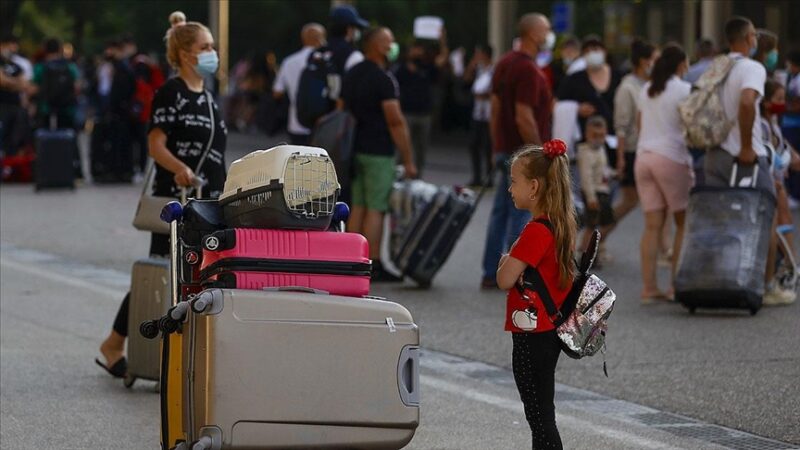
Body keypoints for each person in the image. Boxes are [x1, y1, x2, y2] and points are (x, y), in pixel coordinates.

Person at [97, 13, 228, 378]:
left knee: (195, 277)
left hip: (209, 201)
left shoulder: (210, 98)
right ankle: (114, 343)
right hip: (176, 199)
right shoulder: (172, 93)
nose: (211, 53)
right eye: (205, 47)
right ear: (185, 54)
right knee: (161, 273)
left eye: (212, 48)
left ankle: (183, 354)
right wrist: (179, 168)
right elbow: (155, 145)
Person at [496, 139, 576, 450]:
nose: (509, 189)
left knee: (540, 417)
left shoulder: (535, 231)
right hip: (548, 333)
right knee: (543, 414)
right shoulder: (557, 226)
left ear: (534, 187)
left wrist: (508, 256)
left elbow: (504, 278)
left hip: (532, 337)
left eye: (514, 182)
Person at [703, 17, 780, 299]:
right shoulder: (751, 67)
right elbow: (748, 101)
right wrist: (747, 146)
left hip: (715, 154)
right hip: (744, 157)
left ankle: (719, 280)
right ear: (749, 37)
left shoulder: (717, 67)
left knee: (720, 221)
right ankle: (765, 285)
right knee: (764, 217)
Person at [480, 13, 553, 290]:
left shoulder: (504, 63)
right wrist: (537, 154)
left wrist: (495, 144)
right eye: (545, 31)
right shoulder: (528, 70)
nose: (549, 36)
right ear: (533, 34)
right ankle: (515, 272)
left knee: (500, 211)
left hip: (504, 148)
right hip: (522, 154)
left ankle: (491, 270)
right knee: (522, 212)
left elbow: (495, 108)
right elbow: (524, 115)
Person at [341, 27, 417, 282]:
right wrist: (408, 159)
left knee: (358, 206)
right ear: (375, 46)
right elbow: (395, 121)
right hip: (379, 151)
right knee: (376, 208)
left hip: (354, 149)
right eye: (388, 41)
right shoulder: (384, 79)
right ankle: (373, 261)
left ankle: (351, 258)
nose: (392, 45)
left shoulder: (352, 74)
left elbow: (342, 109)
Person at [635, 45, 692, 303]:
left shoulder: (646, 89)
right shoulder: (684, 89)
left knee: (652, 226)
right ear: (681, 65)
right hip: (671, 157)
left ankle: (649, 288)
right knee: (682, 222)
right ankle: (674, 287)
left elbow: (639, 125)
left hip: (643, 157)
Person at [760, 79, 800, 305]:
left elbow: (782, 145)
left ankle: (789, 264)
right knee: (777, 225)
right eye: (778, 99)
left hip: (778, 180)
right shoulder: (762, 125)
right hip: (772, 182)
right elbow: (768, 151)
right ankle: (782, 269)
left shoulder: (772, 121)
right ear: (765, 103)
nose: (783, 104)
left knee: (785, 220)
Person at [613, 39, 657, 225]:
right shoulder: (628, 87)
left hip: (648, 150)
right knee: (630, 200)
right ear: (644, 61)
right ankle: (595, 237)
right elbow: (621, 126)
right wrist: (621, 157)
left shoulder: (652, 85)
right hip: (632, 150)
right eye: (655, 59)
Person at [393, 38, 448, 176]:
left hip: (424, 114)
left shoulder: (427, 67)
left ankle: (417, 177)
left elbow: (442, 60)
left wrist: (443, 40)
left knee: (421, 149)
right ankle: (399, 176)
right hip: (407, 113)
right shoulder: (400, 68)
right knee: (403, 147)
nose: (417, 52)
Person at [556, 35, 621, 143]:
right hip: (585, 142)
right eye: (587, 50)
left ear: (604, 51)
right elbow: (557, 104)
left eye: (595, 49)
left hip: (616, 139)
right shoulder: (574, 79)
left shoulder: (619, 76)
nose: (592, 53)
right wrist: (576, 108)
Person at [273, 23, 326, 145]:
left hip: (296, 122)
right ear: (321, 38)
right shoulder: (326, 60)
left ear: (303, 38)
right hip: (322, 124)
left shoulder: (289, 61)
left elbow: (277, 92)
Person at [576, 116, 615, 254]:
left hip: (602, 190)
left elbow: (602, 168)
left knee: (598, 224)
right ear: (586, 134)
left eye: (602, 135)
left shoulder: (600, 149)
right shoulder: (585, 152)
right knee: (591, 225)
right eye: (594, 135)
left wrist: (613, 173)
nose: (598, 139)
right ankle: (585, 251)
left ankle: (589, 249)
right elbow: (586, 177)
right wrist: (591, 198)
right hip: (593, 193)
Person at [31, 37, 80, 130]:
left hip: (45, 108)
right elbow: (77, 87)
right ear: (60, 49)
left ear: (45, 49)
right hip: (67, 109)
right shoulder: (70, 67)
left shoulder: (40, 67)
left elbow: (33, 89)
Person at [463, 44, 494, 186]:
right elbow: (466, 79)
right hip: (477, 113)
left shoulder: (494, 70)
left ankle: (489, 177)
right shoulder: (478, 70)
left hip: (489, 114)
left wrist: (485, 95)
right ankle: (477, 176)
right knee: (474, 144)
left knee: (488, 146)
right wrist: (471, 65)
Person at [0, 34, 29, 155]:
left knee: (13, 139)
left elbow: (24, 85)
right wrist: (15, 82)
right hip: (2, 106)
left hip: (15, 107)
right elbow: (2, 81)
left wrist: (10, 83)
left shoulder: (17, 66)